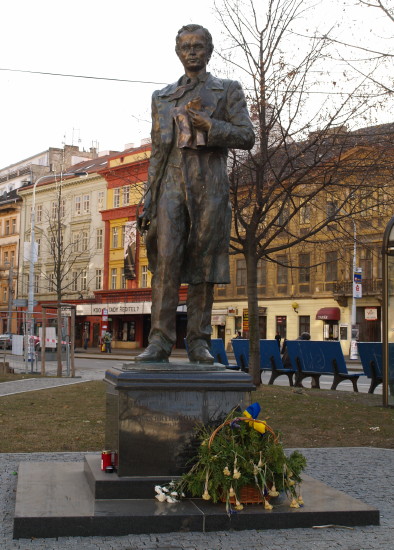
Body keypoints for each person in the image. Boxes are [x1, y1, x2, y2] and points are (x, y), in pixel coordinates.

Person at [136, 24, 255, 364]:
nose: (192, 51)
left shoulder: (227, 90)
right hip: (170, 188)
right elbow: (158, 153)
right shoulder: (162, 97)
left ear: (209, 51)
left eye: (198, 46)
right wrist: (148, 200)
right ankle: (159, 341)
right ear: (178, 52)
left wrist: (210, 126)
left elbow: (247, 136)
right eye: (186, 46)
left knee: (204, 265)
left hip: (209, 189)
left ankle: (199, 341)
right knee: (167, 262)